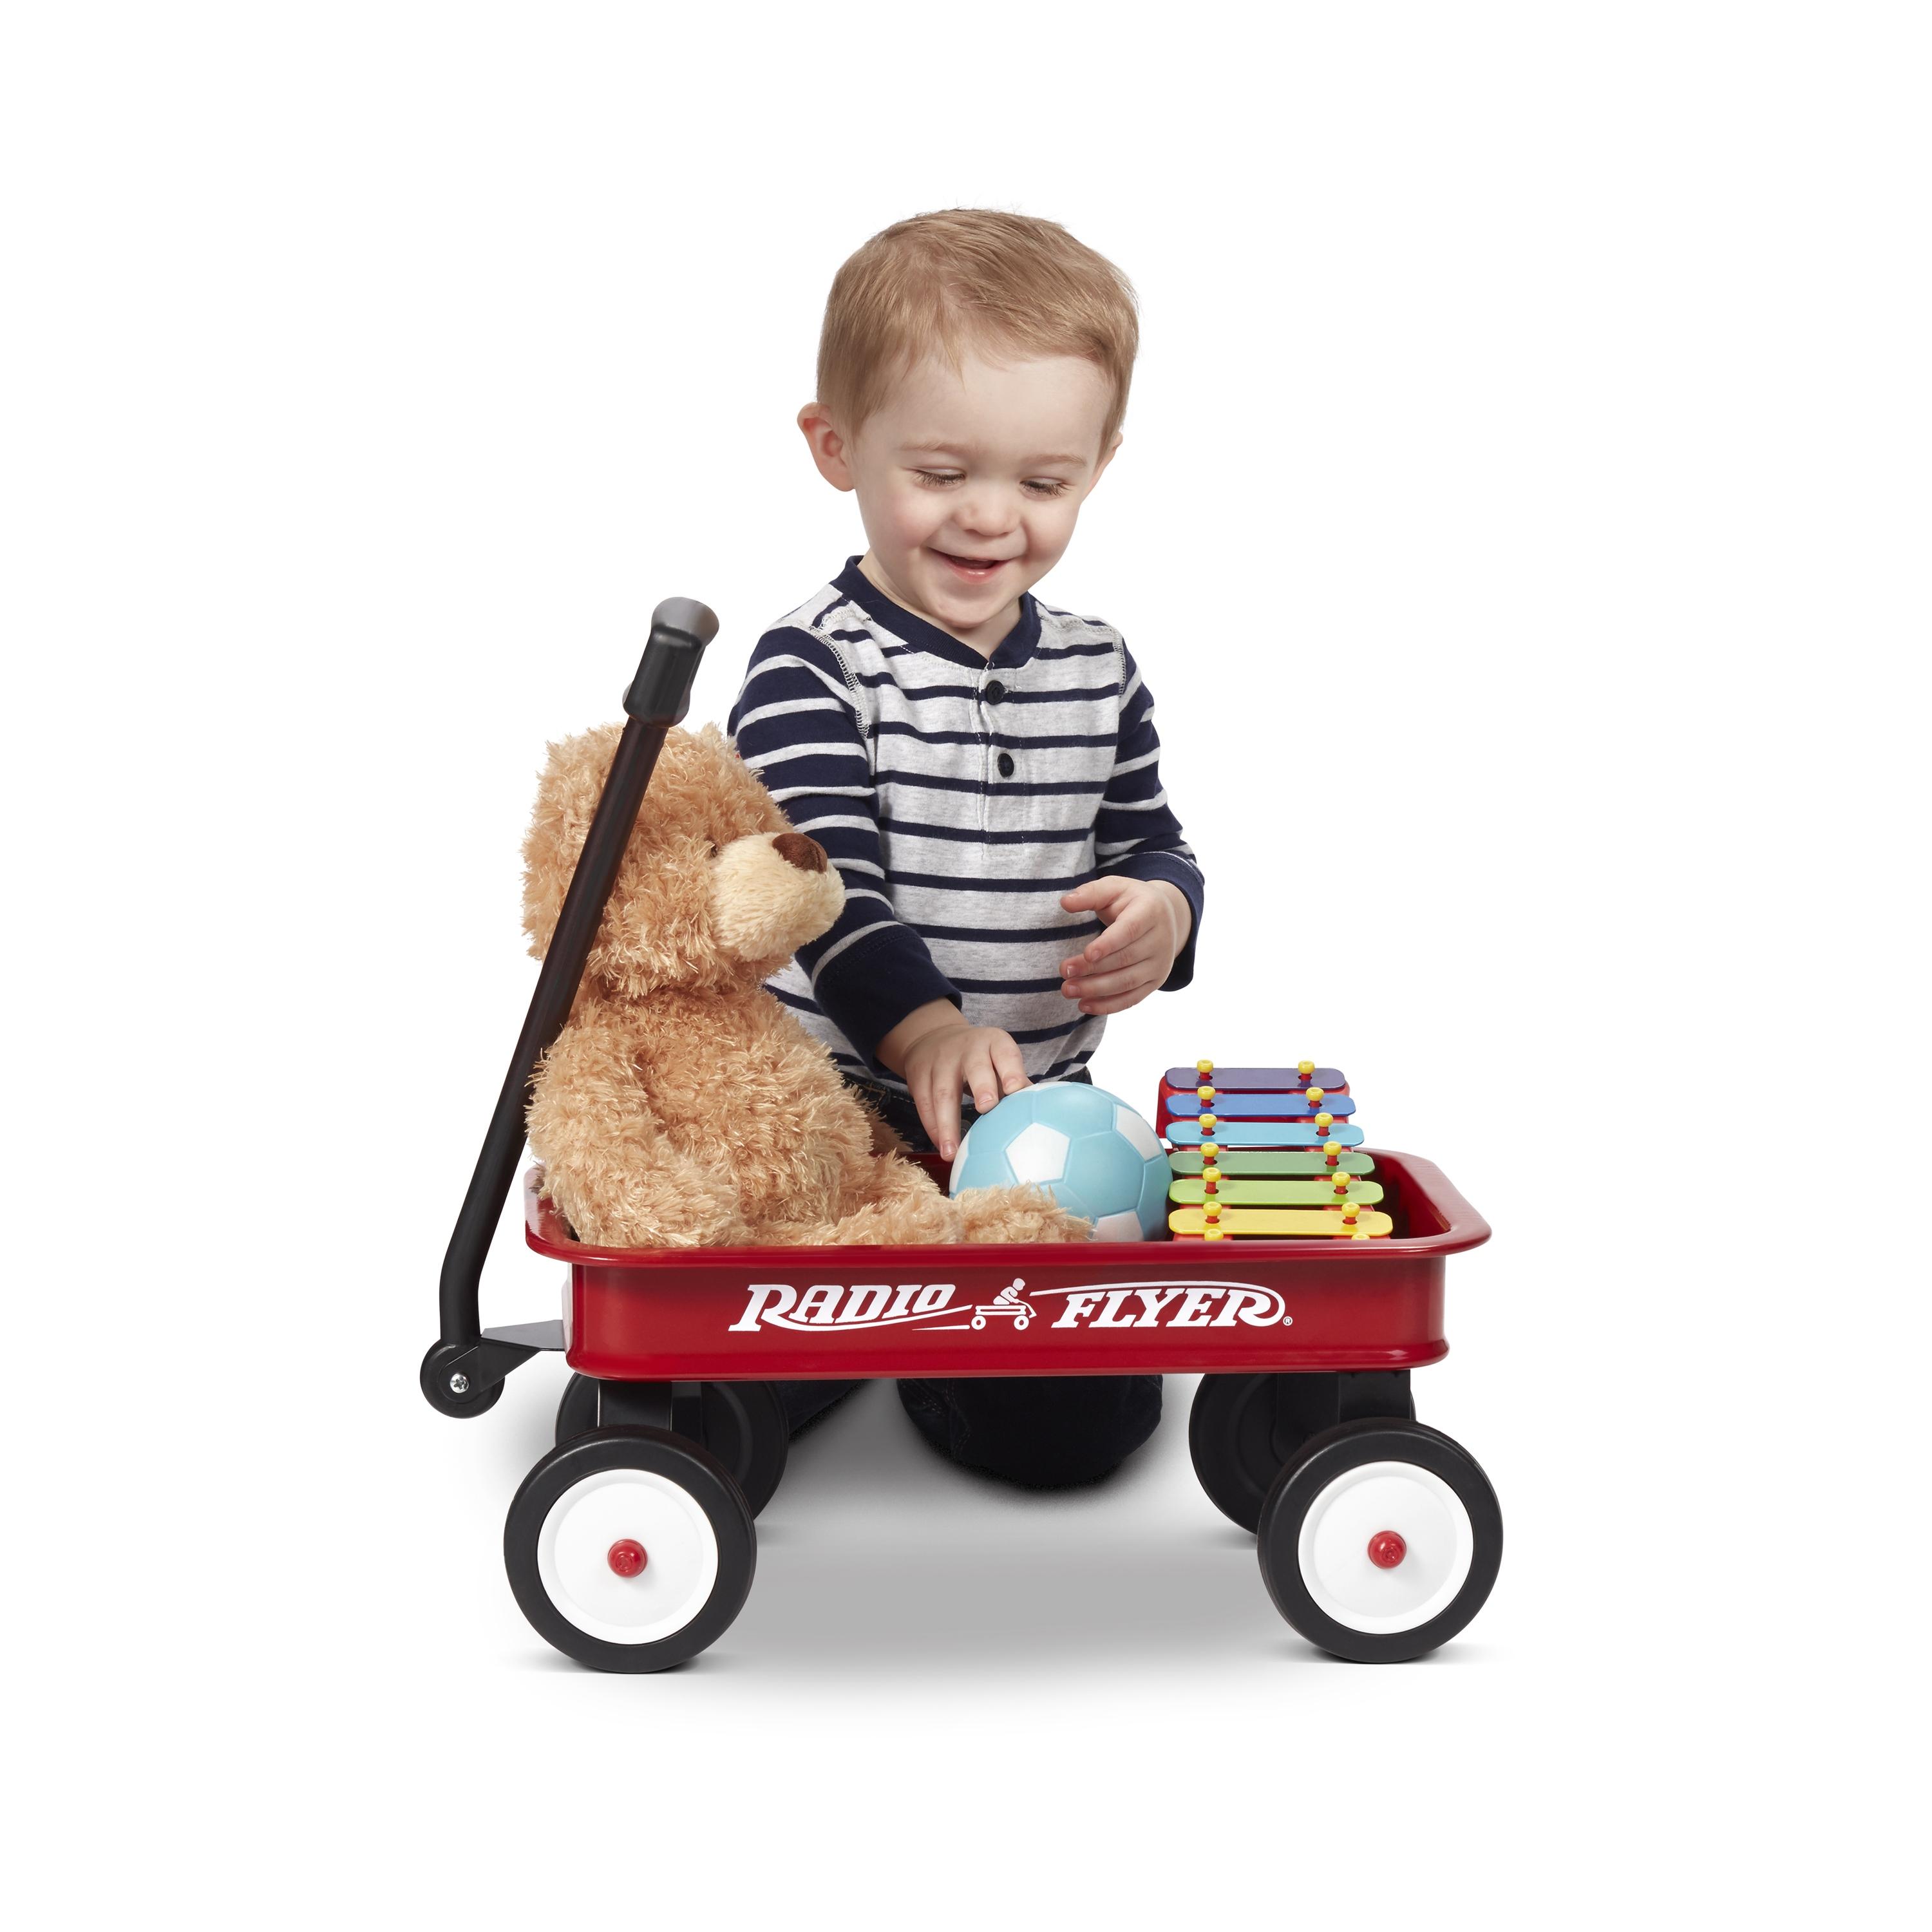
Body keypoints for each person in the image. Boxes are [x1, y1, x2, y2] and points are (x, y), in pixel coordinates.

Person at [726, 209, 1203, 1488]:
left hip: (1031, 1144)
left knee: (1073, 1441)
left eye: (1043, 484)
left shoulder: (1099, 670)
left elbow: (1151, 839)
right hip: (830, 1127)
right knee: (729, 1390)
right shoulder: (814, 665)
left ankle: (958, 1359)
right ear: (837, 447)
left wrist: (1165, 913)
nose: (993, 519)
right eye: (942, 474)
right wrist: (924, 1028)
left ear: (1099, 465)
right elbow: (818, 885)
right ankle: (841, 1343)